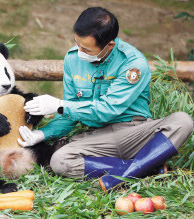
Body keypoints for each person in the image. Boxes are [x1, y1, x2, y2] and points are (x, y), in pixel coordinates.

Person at [17, 7, 193, 191]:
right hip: (97, 138)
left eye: (86, 49)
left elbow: (106, 110)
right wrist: (43, 134)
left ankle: (123, 173)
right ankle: (146, 169)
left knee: (183, 121)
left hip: (134, 133)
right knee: (59, 161)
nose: (79, 52)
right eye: (77, 44)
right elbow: (69, 116)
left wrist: (60, 105)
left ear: (109, 45)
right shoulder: (72, 59)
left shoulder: (133, 64)